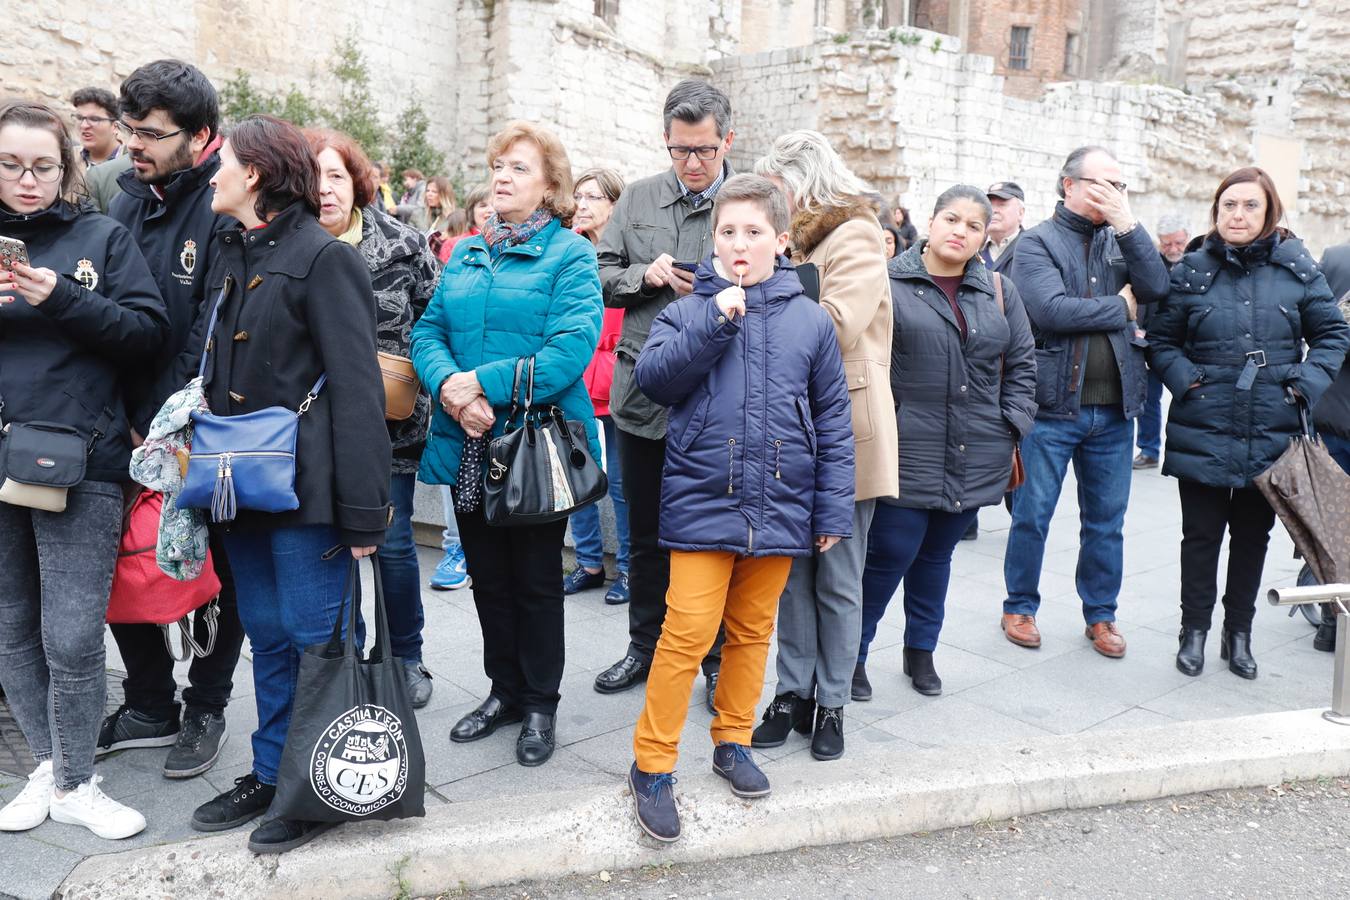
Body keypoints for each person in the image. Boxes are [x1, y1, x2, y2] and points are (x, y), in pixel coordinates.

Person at [626, 174, 854, 842]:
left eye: (754, 231)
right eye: (728, 232)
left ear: (781, 242)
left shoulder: (810, 320)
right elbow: (656, 382)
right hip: (704, 495)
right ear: (713, 241)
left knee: (753, 633)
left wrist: (832, 509)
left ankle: (732, 739)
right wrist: (714, 319)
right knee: (688, 634)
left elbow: (834, 419)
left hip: (782, 500)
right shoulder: (686, 309)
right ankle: (653, 764)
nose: (739, 243)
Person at [185, 115, 390, 854]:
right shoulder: (233, 249)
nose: (213, 176)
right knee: (268, 639)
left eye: (224, 163)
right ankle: (272, 773)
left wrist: (366, 518)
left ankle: (317, 788)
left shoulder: (326, 259)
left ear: (259, 175)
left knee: (316, 644)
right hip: (242, 492)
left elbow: (361, 393)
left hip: (308, 497)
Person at [0, 100, 167, 840]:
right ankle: (48, 767)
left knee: (72, 637)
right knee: (10, 628)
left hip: (81, 459)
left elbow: (147, 336)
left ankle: (76, 780)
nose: (26, 180)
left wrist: (61, 296)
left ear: (66, 166)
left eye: (41, 165)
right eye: (10, 165)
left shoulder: (101, 234)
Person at [412, 121, 601, 768]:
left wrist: (481, 386)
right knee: (488, 579)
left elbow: (567, 353)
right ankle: (504, 691)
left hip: (532, 444)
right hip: (465, 439)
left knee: (535, 581)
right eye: (498, 164)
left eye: (519, 168)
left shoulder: (570, 255)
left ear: (550, 187)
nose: (501, 176)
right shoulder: (465, 250)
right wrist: (454, 393)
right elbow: (427, 331)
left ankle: (541, 702)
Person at [100, 59, 244, 781]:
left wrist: (164, 422)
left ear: (202, 136)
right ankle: (149, 701)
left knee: (214, 572)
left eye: (152, 134)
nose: (135, 144)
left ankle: (207, 704)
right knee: (121, 560)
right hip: (123, 424)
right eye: (131, 130)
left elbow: (212, 327)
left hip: (199, 426)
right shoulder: (125, 202)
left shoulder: (221, 203)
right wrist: (123, 416)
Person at [1148, 167, 1348, 679]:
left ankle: (1239, 635)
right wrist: (1187, 381)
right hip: (1205, 421)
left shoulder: (1297, 267)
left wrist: (1302, 384)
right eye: (1228, 205)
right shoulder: (1192, 268)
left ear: (1269, 212)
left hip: (1272, 425)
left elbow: (1331, 335)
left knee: (1251, 539)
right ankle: (1193, 631)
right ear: (1216, 211)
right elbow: (1162, 339)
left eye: (1249, 206)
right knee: (1200, 537)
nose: (1238, 215)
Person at [855, 186, 1037, 699]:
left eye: (974, 225)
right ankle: (855, 656)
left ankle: (921, 652)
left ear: (985, 236)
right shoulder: (888, 284)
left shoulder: (999, 291)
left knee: (937, 558)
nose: (960, 231)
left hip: (977, 450)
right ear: (931, 223)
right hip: (905, 451)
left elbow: (1024, 365)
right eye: (951, 219)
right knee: (887, 557)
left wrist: (1011, 425)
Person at [749, 130, 896, 761]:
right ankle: (792, 692)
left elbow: (835, 325)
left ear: (801, 181)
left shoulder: (855, 234)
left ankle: (831, 699)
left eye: (777, 189)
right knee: (790, 577)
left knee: (838, 576)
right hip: (789, 429)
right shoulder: (792, 246)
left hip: (847, 430)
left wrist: (759, 300)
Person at [594, 79, 734, 709]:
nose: (693, 163)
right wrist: (640, 275)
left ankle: (713, 656)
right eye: (680, 150)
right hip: (644, 396)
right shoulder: (641, 198)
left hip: (722, 398)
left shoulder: (748, 201)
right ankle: (644, 645)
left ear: (727, 141)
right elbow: (597, 272)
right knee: (645, 534)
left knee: (712, 534)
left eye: (704, 149)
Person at [1002, 145, 1170, 657]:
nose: (1112, 194)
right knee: (1032, 514)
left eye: (1119, 186)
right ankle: (1019, 606)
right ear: (1069, 184)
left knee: (1106, 522)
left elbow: (1157, 285)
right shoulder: (1035, 244)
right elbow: (1051, 311)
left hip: (1116, 410)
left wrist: (1129, 224)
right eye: (1102, 184)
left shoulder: (1121, 243)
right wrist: (1119, 307)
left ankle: (1101, 615)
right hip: (1052, 407)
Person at [308, 127, 441, 707]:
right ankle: (348, 655)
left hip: (390, 424)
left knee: (390, 543)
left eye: (336, 175)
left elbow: (437, 321)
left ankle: (404, 655)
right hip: (312, 427)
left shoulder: (403, 244)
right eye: (313, 176)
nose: (325, 189)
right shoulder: (290, 243)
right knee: (327, 544)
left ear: (357, 182)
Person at [567, 167, 633, 604]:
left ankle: (629, 568)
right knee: (576, 476)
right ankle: (588, 562)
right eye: (578, 196)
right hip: (575, 380)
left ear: (614, 203)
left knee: (624, 482)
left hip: (617, 383)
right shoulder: (570, 253)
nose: (582, 205)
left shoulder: (627, 256)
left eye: (592, 197)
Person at [1312, 241, 1350, 652]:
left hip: (1332, 412)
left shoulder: (1337, 256)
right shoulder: (1338, 258)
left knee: (1335, 525)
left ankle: (1331, 620)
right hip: (1336, 416)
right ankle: (1332, 619)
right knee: (1335, 524)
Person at [1133, 214, 1190, 469]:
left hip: (1187, 346)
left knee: (1189, 398)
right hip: (1154, 341)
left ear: (1186, 238)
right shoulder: (1152, 263)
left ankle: (1188, 450)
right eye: (1167, 244)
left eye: (1178, 243)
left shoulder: (1196, 263)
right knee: (1147, 399)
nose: (1173, 249)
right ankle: (1149, 449)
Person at [70, 87, 122, 168]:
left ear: (115, 126)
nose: (84, 125)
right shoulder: (68, 160)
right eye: (79, 118)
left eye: (94, 119)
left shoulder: (131, 165)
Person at [980, 181, 1025, 273]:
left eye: (1002, 205)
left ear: (1021, 213)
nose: (993, 211)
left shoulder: (1033, 248)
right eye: (989, 206)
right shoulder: (975, 248)